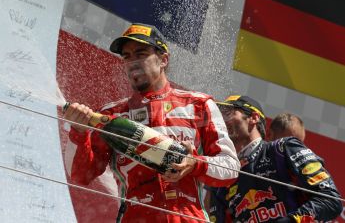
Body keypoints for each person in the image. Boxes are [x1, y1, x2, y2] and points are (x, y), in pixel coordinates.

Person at [63, 23, 240, 222]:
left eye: (140, 54)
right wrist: (78, 131)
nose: (132, 62)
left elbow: (231, 168)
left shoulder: (199, 105)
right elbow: (79, 176)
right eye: (127, 57)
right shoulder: (112, 115)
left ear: (163, 59)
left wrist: (195, 163)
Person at [210, 95, 342, 222]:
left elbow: (331, 200)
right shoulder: (223, 175)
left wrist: (290, 220)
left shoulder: (283, 148)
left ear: (253, 118)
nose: (222, 121)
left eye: (228, 113)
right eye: (220, 116)